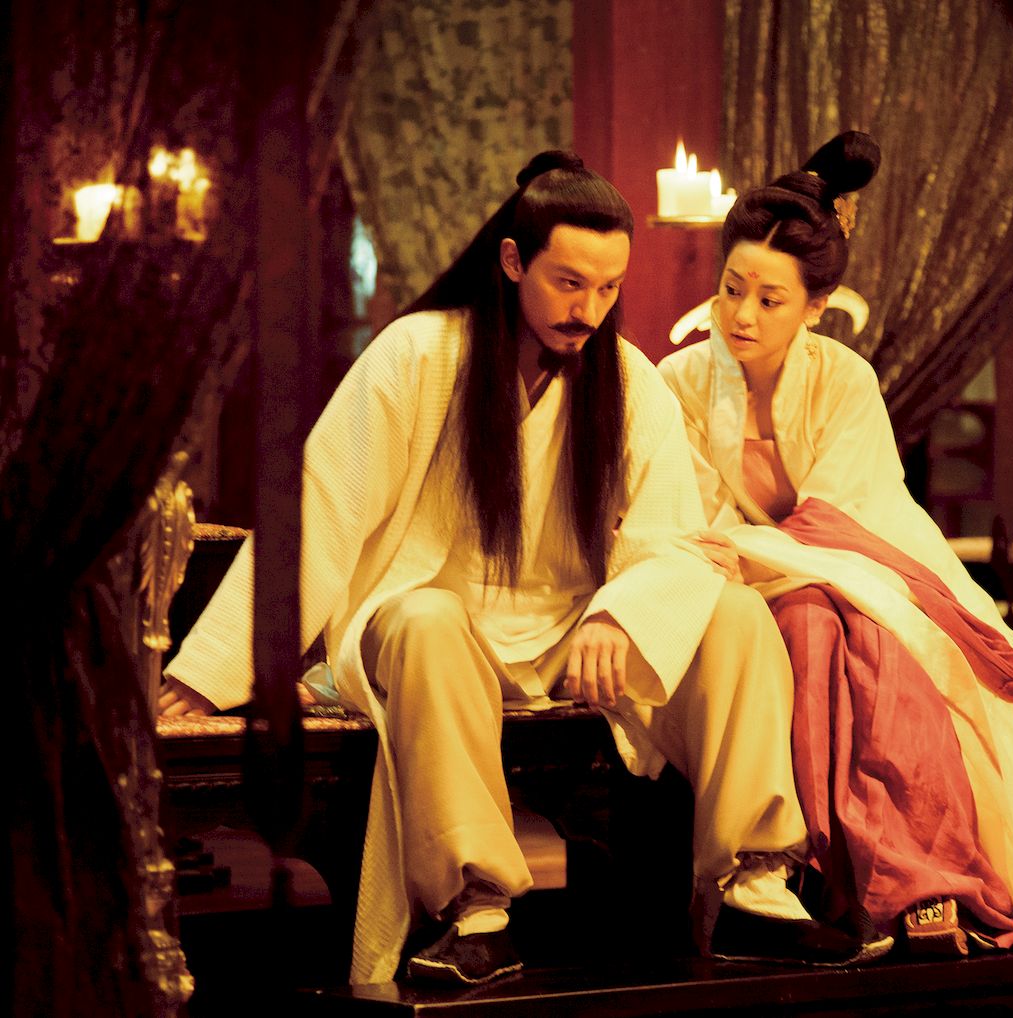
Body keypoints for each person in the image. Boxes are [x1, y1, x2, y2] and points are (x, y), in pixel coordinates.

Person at [159, 151, 884, 986]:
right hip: (428, 623)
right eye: (569, 283)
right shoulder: (418, 354)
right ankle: (476, 910)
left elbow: (675, 538)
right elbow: (321, 510)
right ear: (512, 261)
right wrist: (213, 674)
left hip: (564, 635)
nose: (589, 310)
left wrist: (620, 612)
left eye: (608, 289)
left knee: (735, 614)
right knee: (426, 619)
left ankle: (754, 888)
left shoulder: (625, 378)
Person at [658, 132, 1013, 955]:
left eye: (771, 300)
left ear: (817, 307)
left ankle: (907, 880)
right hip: (725, 589)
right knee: (809, 622)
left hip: (855, 573)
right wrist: (761, 564)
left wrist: (788, 563)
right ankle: (818, 877)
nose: (742, 315)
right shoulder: (675, 383)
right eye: (731, 289)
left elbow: (853, 517)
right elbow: (686, 520)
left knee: (870, 640)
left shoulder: (844, 380)